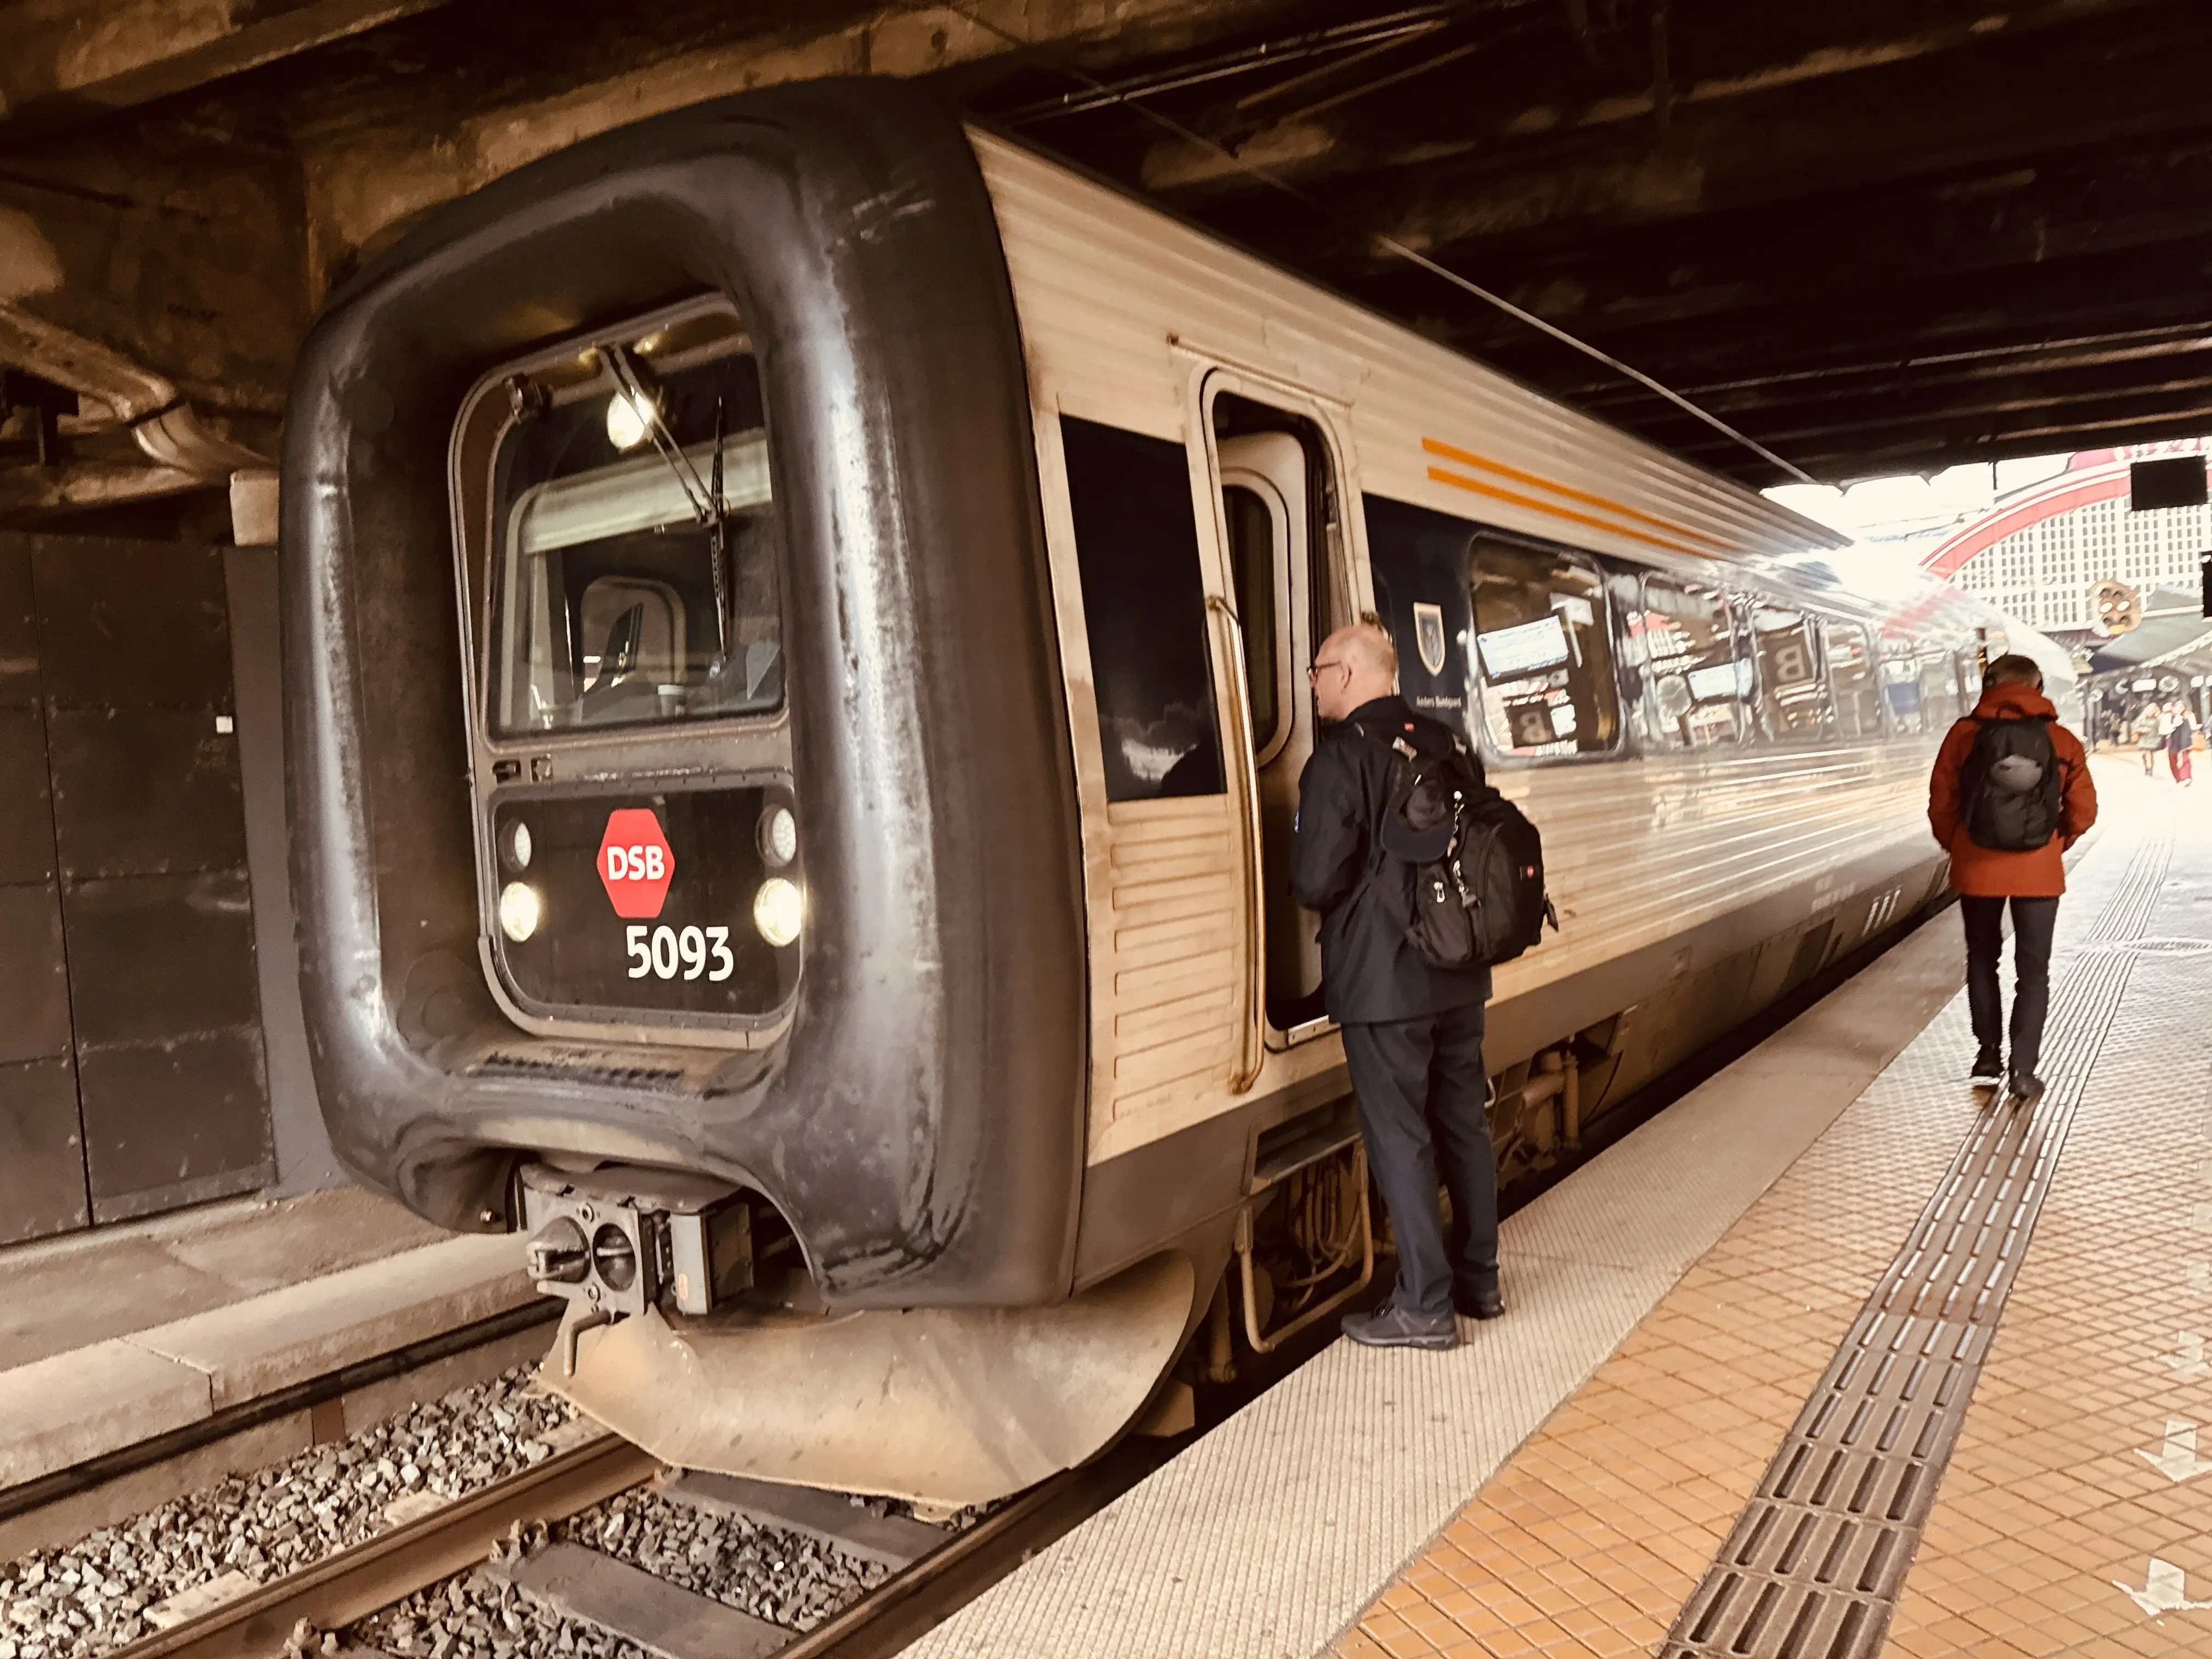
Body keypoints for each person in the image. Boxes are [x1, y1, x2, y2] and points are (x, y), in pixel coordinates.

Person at [1291, 622, 1500, 1351]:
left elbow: (1315, 880)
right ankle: (1479, 1281)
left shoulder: (1340, 761)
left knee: (1403, 1137)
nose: (1312, 682)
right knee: (1463, 1124)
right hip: (1459, 972)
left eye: (1318, 669)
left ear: (1347, 674)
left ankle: (1424, 1306)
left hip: (1384, 987)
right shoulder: (1450, 746)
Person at [1928, 654, 2097, 1108]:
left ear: (1989, 684)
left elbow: (1941, 802)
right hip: (2039, 871)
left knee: (1982, 957)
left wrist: (1961, 845)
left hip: (1977, 867)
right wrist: (2055, 845)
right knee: (2034, 971)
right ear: (2038, 686)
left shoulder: (1963, 737)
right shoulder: (2061, 739)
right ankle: (2025, 1070)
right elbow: (2084, 810)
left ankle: (1987, 1058)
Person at [2169, 702, 2199, 786]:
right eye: (2177, 706)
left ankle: (2186, 777)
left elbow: (2192, 727)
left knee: (2185, 758)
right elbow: (2167, 728)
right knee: (2173, 761)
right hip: (2174, 740)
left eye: (2181, 706)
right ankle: (2179, 778)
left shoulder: (2189, 716)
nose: (2179, 708)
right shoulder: (2170, 717)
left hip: (2184, 739)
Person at [2135, 702, 2165, 775]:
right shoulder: (2142, 719)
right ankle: (2146, 767)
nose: (2149, 712)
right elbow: (2136, 728)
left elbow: (2161, 729)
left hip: (2153, 738)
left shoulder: (2158, 719)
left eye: (2151, 711)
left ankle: (2150, 769)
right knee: (2143, 755)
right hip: (2144, 738)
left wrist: (2160, 738)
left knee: (2149, 753)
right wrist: (2142, 730)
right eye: (2148, 711)